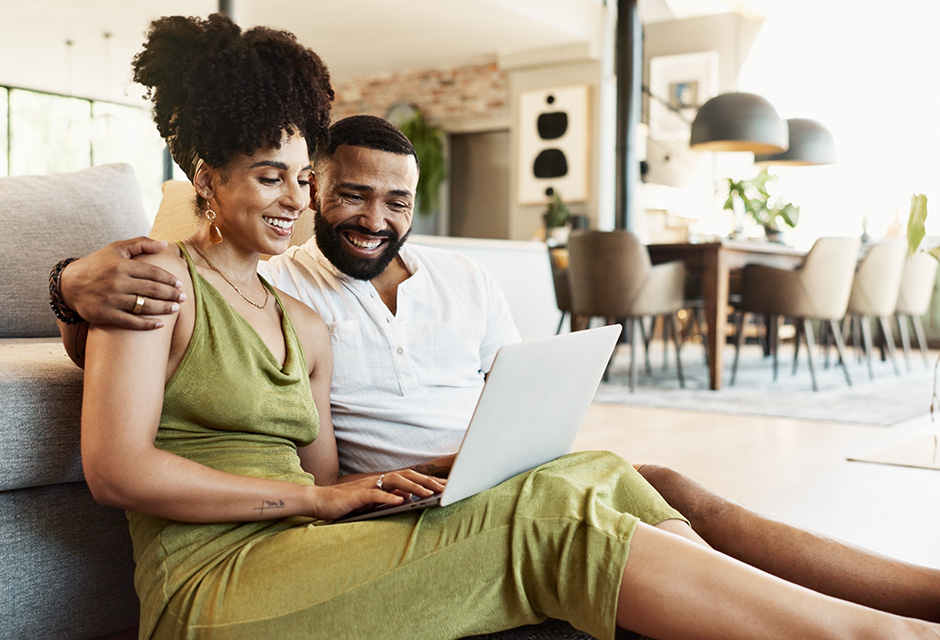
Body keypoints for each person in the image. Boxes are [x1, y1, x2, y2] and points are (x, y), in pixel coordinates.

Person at [59, 21, 940, 638]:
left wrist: (423, 480)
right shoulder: (149, 280)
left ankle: (835, 616)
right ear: (202, 176)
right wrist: (315, 498)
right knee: (552, 519)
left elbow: (331, 487)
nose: (295, 201)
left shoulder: (302, 321)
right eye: (268, 177)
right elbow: (117, 469)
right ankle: (873, 636)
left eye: (300, 176)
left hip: (300, 553)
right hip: (211, 592)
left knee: (590, 471)